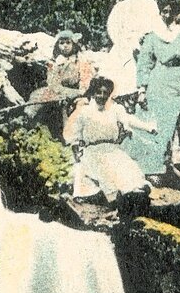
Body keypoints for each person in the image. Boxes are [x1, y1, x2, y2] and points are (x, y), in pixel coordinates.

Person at [64, 75, 157, 210]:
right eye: (99, 92)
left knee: (127, 168)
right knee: (106, 170)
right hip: (93, 151)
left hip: (113, 149)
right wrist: (76, 150)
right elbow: (74, 134)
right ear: (93, 93)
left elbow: (129, 119)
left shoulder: (114, 109)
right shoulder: (84, 112)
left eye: (106, 93)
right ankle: (115, 197)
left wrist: (148, 127)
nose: (102, 96)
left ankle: (133, 193)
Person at [127, 0, 180, 179]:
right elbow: (145, 63)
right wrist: (142, 89)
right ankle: (150, 168)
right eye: (164, 11)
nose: (168, 15)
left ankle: (172, 166)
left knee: (172, 120)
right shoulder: (152, 35)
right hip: (158, 79)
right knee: (153, 119)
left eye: (171, 11)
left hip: (178, 79)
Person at [101, 0, 163, 97]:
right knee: (114, 68)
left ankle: (137, 93)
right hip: (122, 43)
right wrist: (120, 41)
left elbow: (155, 25)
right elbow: (112, 26)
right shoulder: (121, 6)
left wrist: (143, 39)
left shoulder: (151, 4)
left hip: (143, 43)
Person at [26, 31, 96, 136]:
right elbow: (53, 83)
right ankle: (30, 124)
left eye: (68, 42)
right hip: (58, 92)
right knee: (38, 97)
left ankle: (71, 136)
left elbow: (85, 83)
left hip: (77, 93)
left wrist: (78, 93)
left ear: (73, 44)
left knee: (78, 107)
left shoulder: (81, 61)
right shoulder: (55, 62)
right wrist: (61, 92)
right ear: (57, 45)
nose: (65, 46)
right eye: (62, 43)